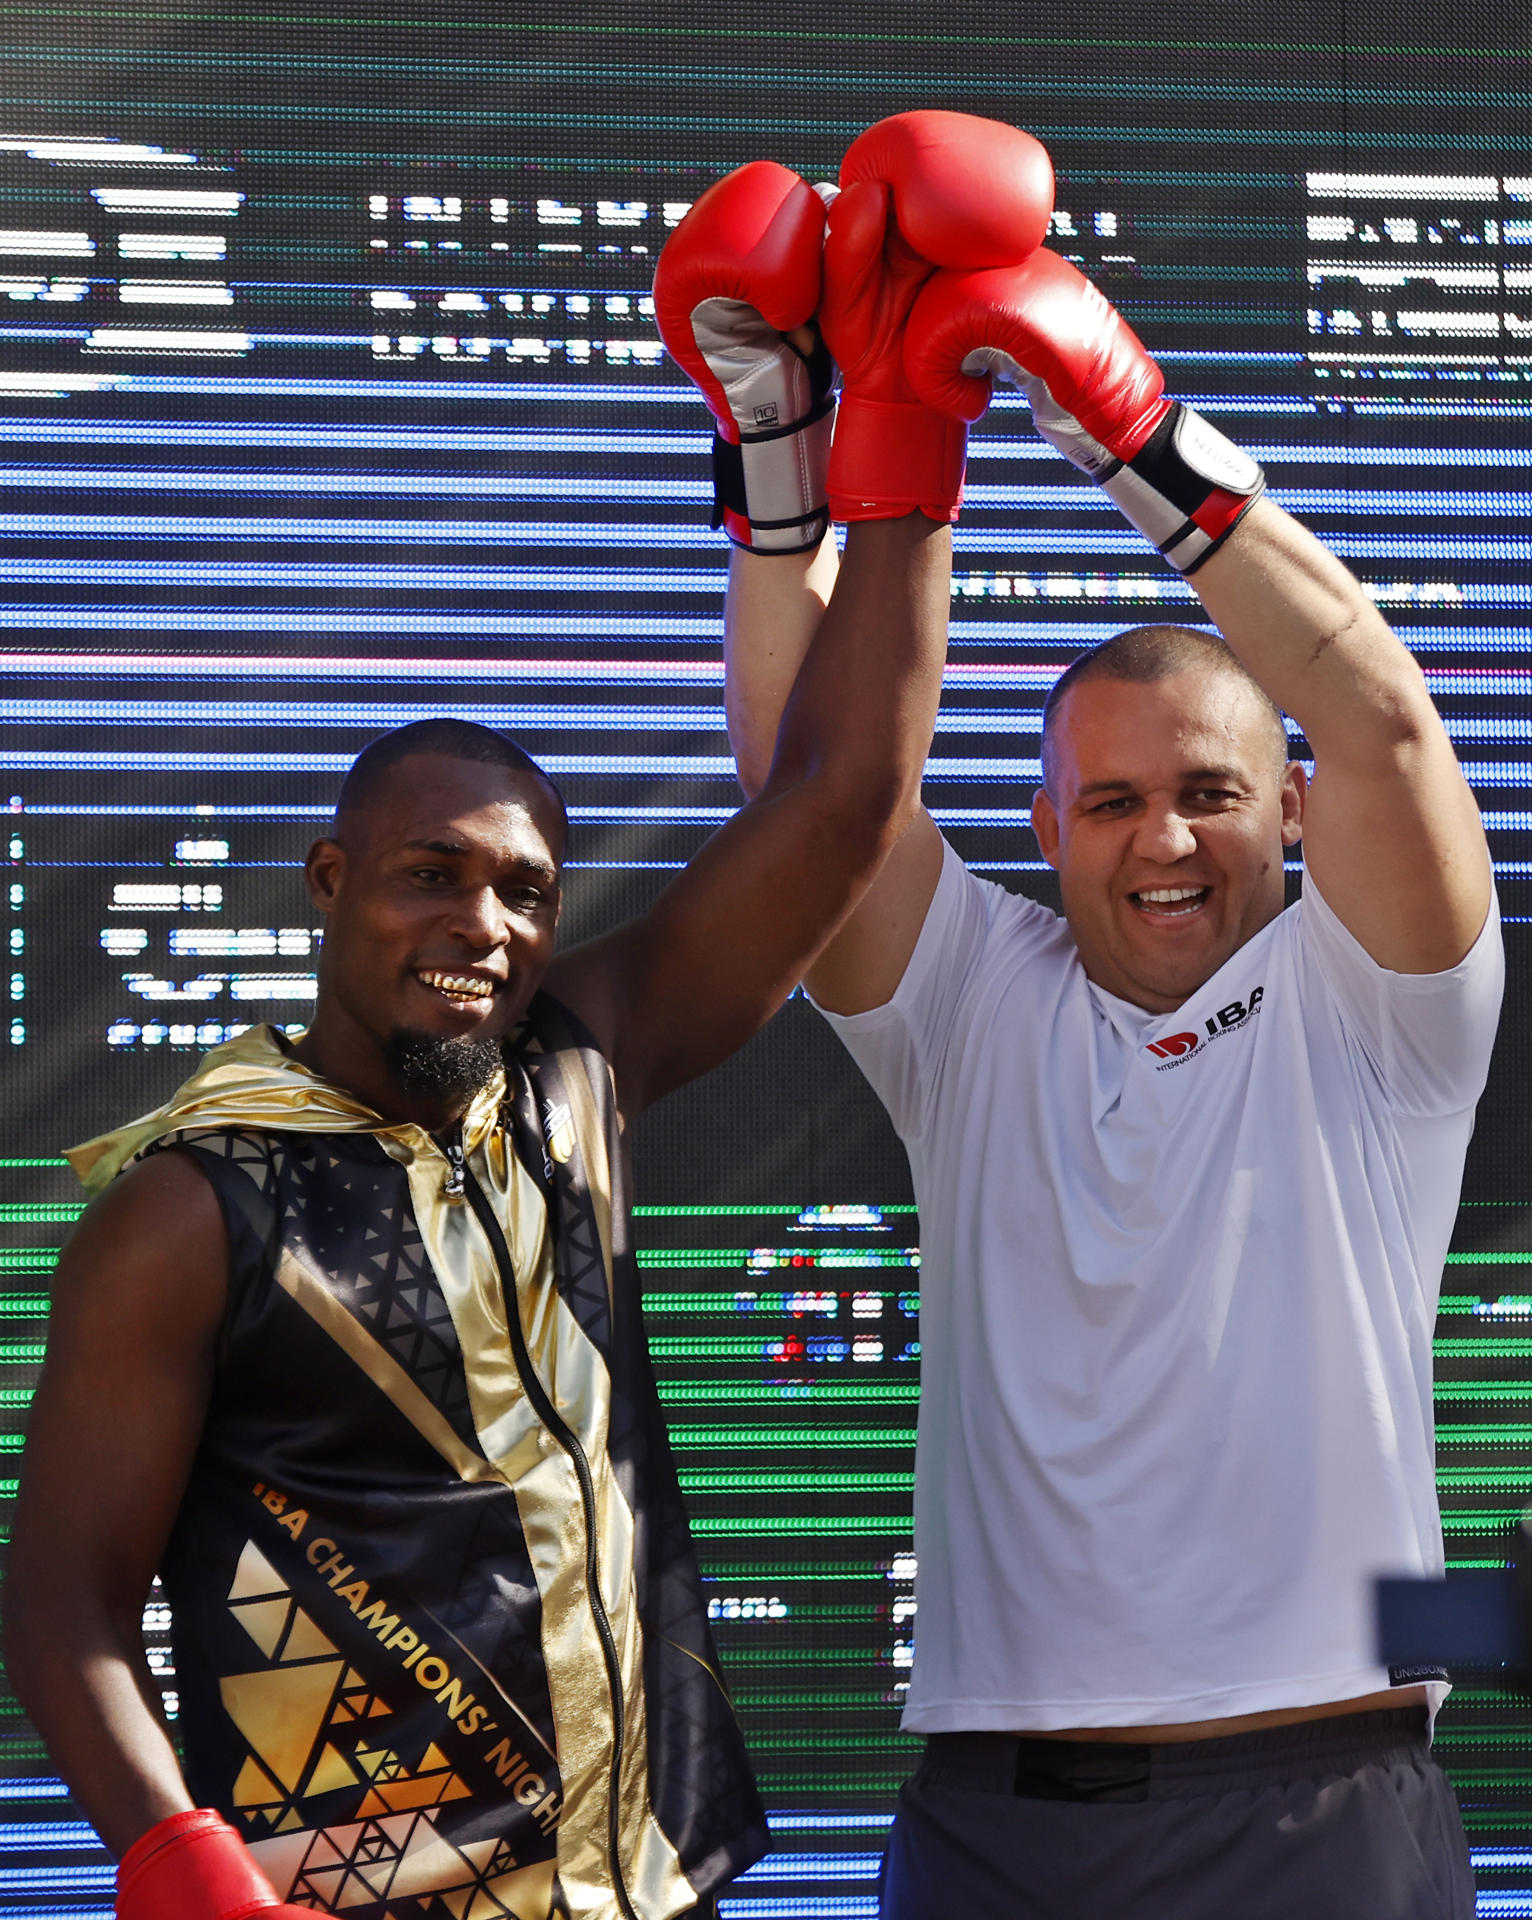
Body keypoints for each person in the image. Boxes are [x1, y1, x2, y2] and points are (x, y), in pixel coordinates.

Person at [2, 163, 958, 1920]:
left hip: (657, 1893)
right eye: (432, 875)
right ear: (328, 881)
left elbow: (841, 807)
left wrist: (875, 452)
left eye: (524, 889)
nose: (486, 923)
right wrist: (168, 1850)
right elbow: (61, 1599)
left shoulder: (570, 1067)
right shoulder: (192, 1210)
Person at [714, 119, 1500, 1919]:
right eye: (1116, 800)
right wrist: (786, 463)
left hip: (1325, 1805)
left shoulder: (1378, 1008)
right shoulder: (977, 1007)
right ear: (1045, 821)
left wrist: (1130, 435)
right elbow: (803, 796)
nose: (1166, 838)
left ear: (1287, 811)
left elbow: (1379, 714)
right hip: (1000, 1820)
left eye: (1212, 792)